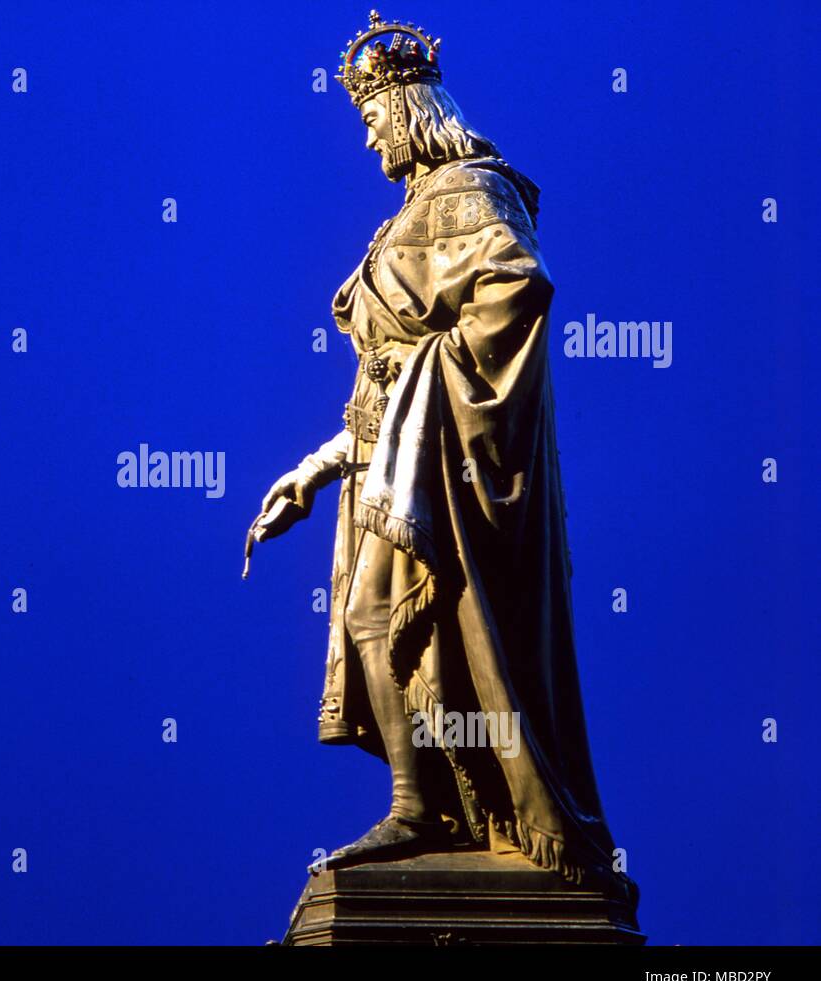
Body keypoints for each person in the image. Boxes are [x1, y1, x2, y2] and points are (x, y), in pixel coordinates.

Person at [252, 14, 638, 906]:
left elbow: (517, 288)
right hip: (401, 459)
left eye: (375, 117)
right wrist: (312, 470)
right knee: (370, 616)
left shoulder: (470, 191)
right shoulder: (409, 216)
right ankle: (420, 805)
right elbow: (374, 395)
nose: (369, 134)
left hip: (454, 467)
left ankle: (421, 808)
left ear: (412, 108)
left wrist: (431, 381)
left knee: (379, 610)